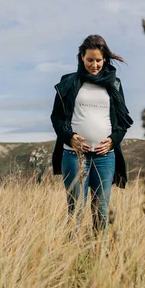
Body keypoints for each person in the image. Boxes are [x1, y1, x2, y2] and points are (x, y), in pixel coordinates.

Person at [51, 34, 133, 232]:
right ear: (81, 57)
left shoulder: (115, 84)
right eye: (90, 60)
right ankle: (72, 256)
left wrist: (113, 141)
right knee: (75, 211)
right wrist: (70, 137)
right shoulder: (69, 82)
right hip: (73, 155)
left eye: (98, 60)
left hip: (105, 157)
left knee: (101, 212)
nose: (94, 65)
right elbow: (57, 118)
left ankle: (100, 257)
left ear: (104, 59)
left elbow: (122, 123)